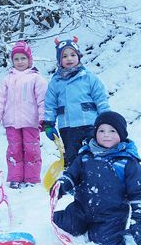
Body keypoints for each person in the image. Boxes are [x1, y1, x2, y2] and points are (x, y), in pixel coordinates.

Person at [52, 111, 141, 245]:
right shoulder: (85, 156)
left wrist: (139, 223)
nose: (106, 135)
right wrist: (61, 186)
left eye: (112, 131)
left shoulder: (127, 162)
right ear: (95, 133)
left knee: (105, 243)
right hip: (82, 208)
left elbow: (138, 195)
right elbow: (71, 175)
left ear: (121, 135)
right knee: (65, 225)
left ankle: (105, 234)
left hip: (111, 215)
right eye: (101, 130)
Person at [43, 37, 110, 167]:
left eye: (73, 55)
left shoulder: (89, 77)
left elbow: (100, 99)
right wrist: (49, 124)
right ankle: (74, 181)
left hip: (90, 124)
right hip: (67, 128)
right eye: (65, 56)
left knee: (93, 154)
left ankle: (94, 178)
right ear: (59, 60)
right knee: (72, 157)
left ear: (79, 56)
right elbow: (50, 104)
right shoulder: (55, 82)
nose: (69, 58)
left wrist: (106, 118)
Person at [0, 41, 48, 188]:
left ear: (30, 59)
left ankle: (32, 178)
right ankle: (15, 177)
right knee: (14, 150)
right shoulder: (7, 79)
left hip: (31, 122)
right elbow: (0, 100)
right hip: (11, 122)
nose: (20, 62)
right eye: (16, 59)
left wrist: (43, 119)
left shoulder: (36, 78)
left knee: (31, 150)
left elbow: (43, 100)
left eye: (23, 58)